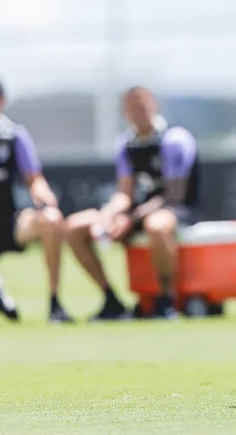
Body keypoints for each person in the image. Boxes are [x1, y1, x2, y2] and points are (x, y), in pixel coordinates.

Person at [65, 86, 200, 321]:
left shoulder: (174, 140)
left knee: (156, 226)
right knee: (75, 227)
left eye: (143, 105)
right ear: (125, 112)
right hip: (138, 212)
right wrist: (109, 215)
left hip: (175, 210)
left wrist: (130, 218)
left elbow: (172, 195)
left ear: (154, 105)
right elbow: (124, 193)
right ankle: (111, 300)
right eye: (132, 107)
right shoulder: (127, 145)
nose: (139, 111)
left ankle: (166, 302)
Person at [0, 76, 71, 323]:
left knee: (51, 220)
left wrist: (42, 193)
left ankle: (55, 303)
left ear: (2, 101)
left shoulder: (13, 135)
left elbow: (34, 178)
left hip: (7, 223)